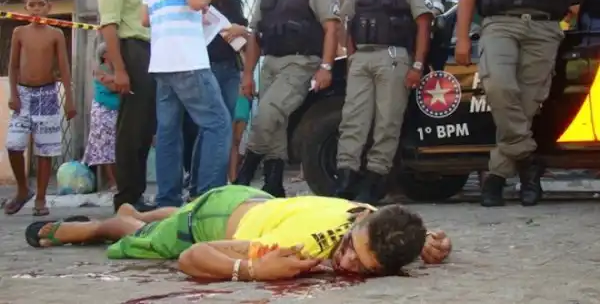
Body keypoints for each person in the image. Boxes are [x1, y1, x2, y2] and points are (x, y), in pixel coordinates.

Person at [454, 0, 589, 207]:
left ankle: (497, 176)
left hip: (544, 29)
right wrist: (462, 38)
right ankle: (528, 161)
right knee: (500, 88)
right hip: (500, 25)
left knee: (526, 105)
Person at [24, 184, 452, 281]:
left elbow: (406, 227)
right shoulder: (300, 245)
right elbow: (192, 259)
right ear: (359, 226)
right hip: (210, 221)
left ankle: (145, 212)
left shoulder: (374, 217)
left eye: (362, 266)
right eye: (350, 249)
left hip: (252, 200)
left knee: (174, 214)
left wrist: (430, 242)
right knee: (140, 233)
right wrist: (251, 270)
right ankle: (90, 227)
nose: (346, 261)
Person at [234, 0, 341, 197]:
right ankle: (274, 184)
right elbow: (255, 35)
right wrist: (247, 75)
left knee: (266, 115)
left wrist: (326, 67)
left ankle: (244, 175)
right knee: (276, 125)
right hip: (270, 63)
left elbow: (332, 29)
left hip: (301, 63)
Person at [335, 0, 434, 205]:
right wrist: (352, 56)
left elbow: (424, 24)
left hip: (394, 56)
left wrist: (417, 64)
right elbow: (348, 19)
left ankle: (376, 179)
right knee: (352, 118)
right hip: (362, 56)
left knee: (387, 121)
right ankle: (346, 175)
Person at [142, 0, 231, 208]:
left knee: (168, 133)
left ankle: (167, 201)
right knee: (218, 123)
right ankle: (207, 198)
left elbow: (145, 18)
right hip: (187, 59)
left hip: (162, 61)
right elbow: (196, 0)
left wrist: (190, 8)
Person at [97, 0, 156, 212]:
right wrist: (119, 70)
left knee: (146, 127)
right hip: (132, 50)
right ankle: (126, 198)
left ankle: (138, 195)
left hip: (154, 51)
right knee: (131, 128)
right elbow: (109, 26)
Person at [4, 0, 76, 216]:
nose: (36, 9)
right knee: (14, 145)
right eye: (32, 5)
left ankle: (41, 198)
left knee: (45, 149)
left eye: (41, 4)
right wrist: (13, 94)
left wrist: (69, 99)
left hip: (48, 94)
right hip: (23, 94)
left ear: (48, 7)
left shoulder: (56, 33)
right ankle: (23, 189)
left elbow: (64, 67)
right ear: (25, 8)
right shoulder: (19, 32)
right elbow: (13, 66)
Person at [182, 0, 250, 197]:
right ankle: (199, 183)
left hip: (230, 69)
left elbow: (245, 35)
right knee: (209, 125)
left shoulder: (235, 4)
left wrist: (241, 30)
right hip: (205, 67)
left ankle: (213, 183)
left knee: (225, 125)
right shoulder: (199, 0)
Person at [83, 42, 119, 191]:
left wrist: (114, 78)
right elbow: (115, 87)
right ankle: (112, 182)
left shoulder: (117, 69)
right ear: (104, 55)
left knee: (116, 147)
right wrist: (117, 79)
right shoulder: (100, 69)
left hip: (116, 112)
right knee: (105, 148)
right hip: (103, 112)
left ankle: (117, 181)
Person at [229, 94, 253, 182]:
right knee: (232, 142)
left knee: (237, 142)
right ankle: (232, 176)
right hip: (234, 99)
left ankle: (233, 176)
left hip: (243, 102)